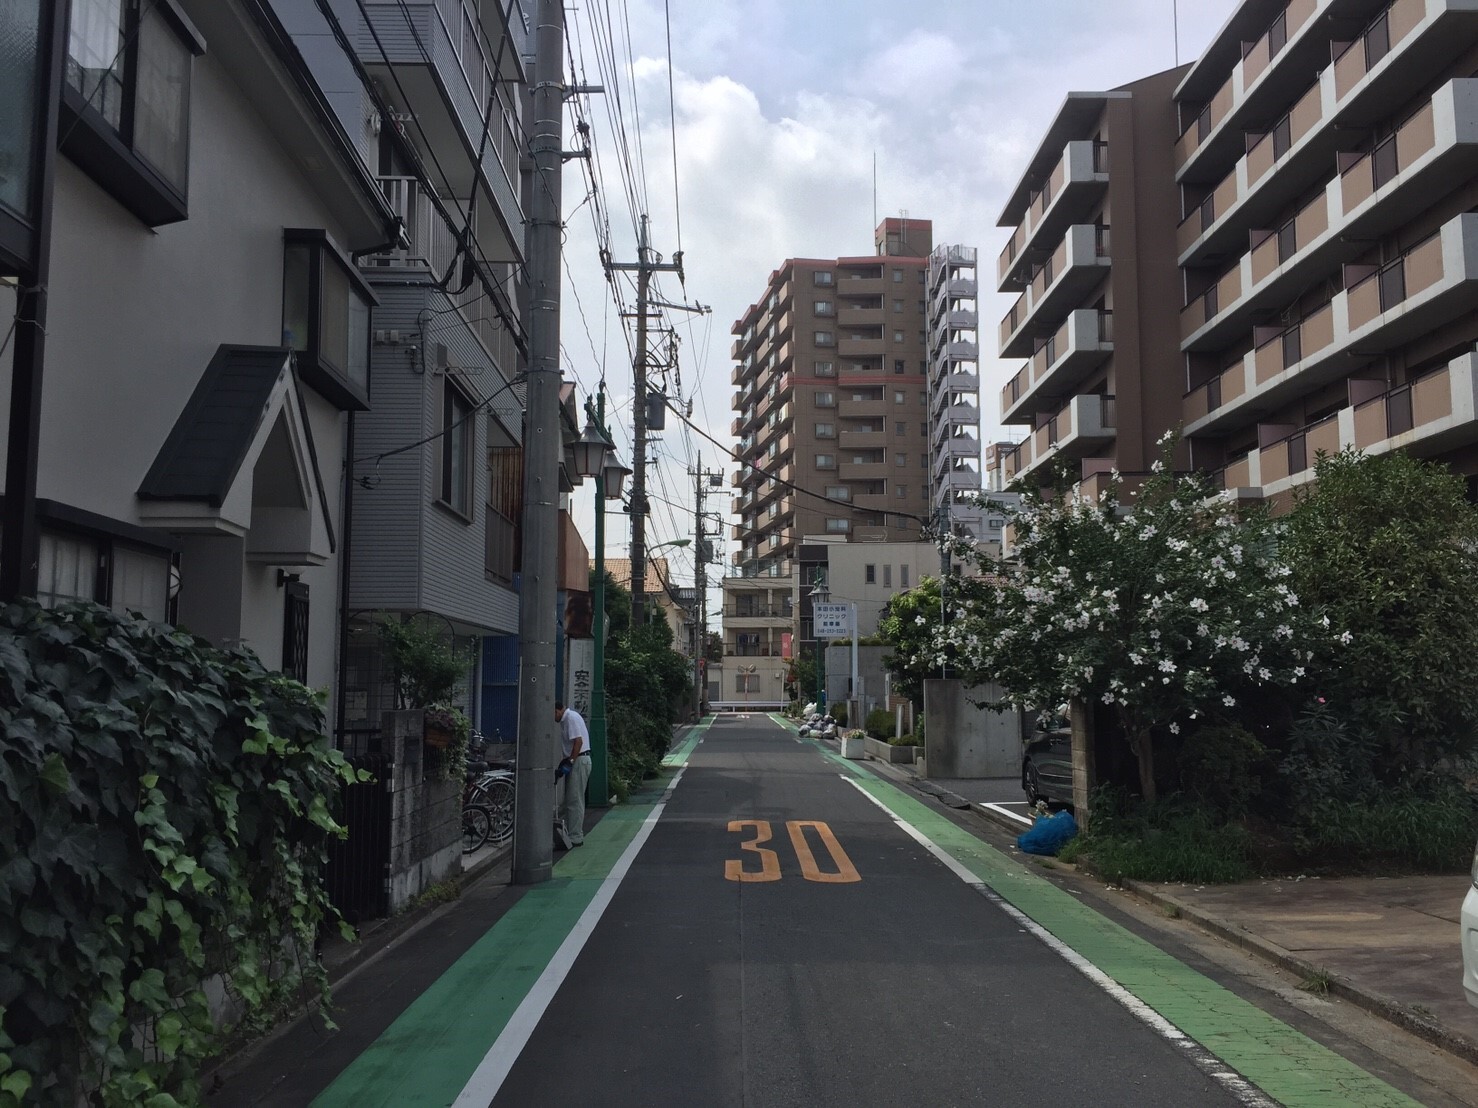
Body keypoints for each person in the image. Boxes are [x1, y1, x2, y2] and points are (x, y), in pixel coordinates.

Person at [554, 701, 591, 847]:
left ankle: (576, 836)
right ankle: (571, 834)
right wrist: (565, 762)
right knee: (572, 799)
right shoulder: (567, 719)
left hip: (580, 760)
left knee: (575, 800)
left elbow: (578, 742)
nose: (553, 718)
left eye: (553, 714)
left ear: (558, 710)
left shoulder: (570, 718)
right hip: (578, 760)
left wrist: (570, 761)